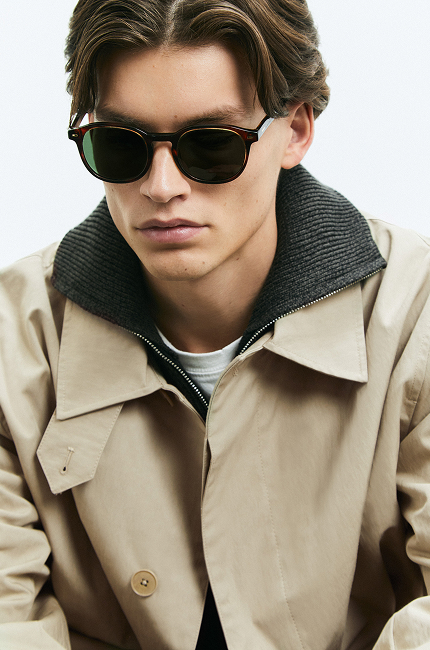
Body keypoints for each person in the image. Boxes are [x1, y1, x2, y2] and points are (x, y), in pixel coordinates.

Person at [1, 0, 430, 648]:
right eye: (121, 145)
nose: (162, 185)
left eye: (210, 145)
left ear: (296, 131)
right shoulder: (14, 338)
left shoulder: (414, 317)